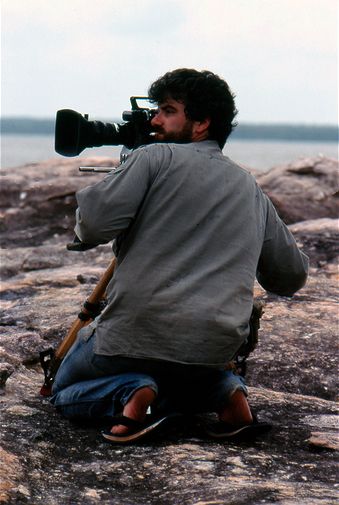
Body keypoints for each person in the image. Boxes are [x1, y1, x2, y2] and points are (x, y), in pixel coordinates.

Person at [51, 68, 308, 443]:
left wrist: (129, 170)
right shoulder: (248, 185)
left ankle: (132, 393)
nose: (154, 120)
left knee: (61, 388)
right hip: (213, 347)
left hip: (134, 338)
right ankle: (225, 392)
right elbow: (290, 276)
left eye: (167, 111)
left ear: (202, 123)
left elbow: (91, 227)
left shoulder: (152, 158)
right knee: (185, 372)